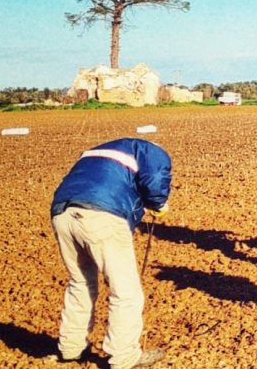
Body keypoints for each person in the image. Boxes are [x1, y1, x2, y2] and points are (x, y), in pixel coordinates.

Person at [49, 138, 171, 368]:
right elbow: (155, 180)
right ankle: (124, 357)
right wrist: (160, 204)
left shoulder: (98, 150)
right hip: (103, 214)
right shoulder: (153, 152)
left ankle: (71, 348)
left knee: (81, 282)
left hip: (61, 213)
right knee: (125, 292)